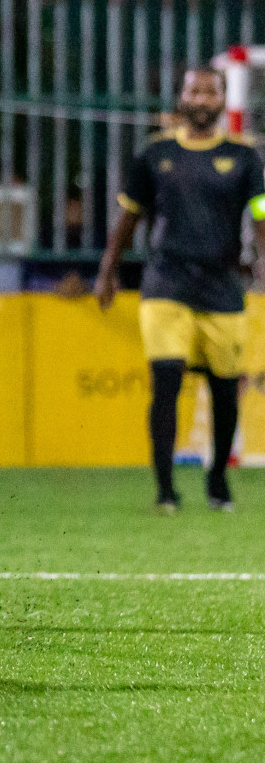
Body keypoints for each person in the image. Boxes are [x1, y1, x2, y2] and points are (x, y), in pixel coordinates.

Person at [95, 68, 265, 512]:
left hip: (223, 285)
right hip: (166, 282)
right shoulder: (156, 154)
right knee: (166, 379)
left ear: (223, 99)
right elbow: (128, 217)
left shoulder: (244, 157)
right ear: (182, 97)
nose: (202, 98)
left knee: (226, 390)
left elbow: (261, 214)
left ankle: (217, 480)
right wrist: (108, 271)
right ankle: (166, 489)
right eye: (194, 90)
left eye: (211, 91)